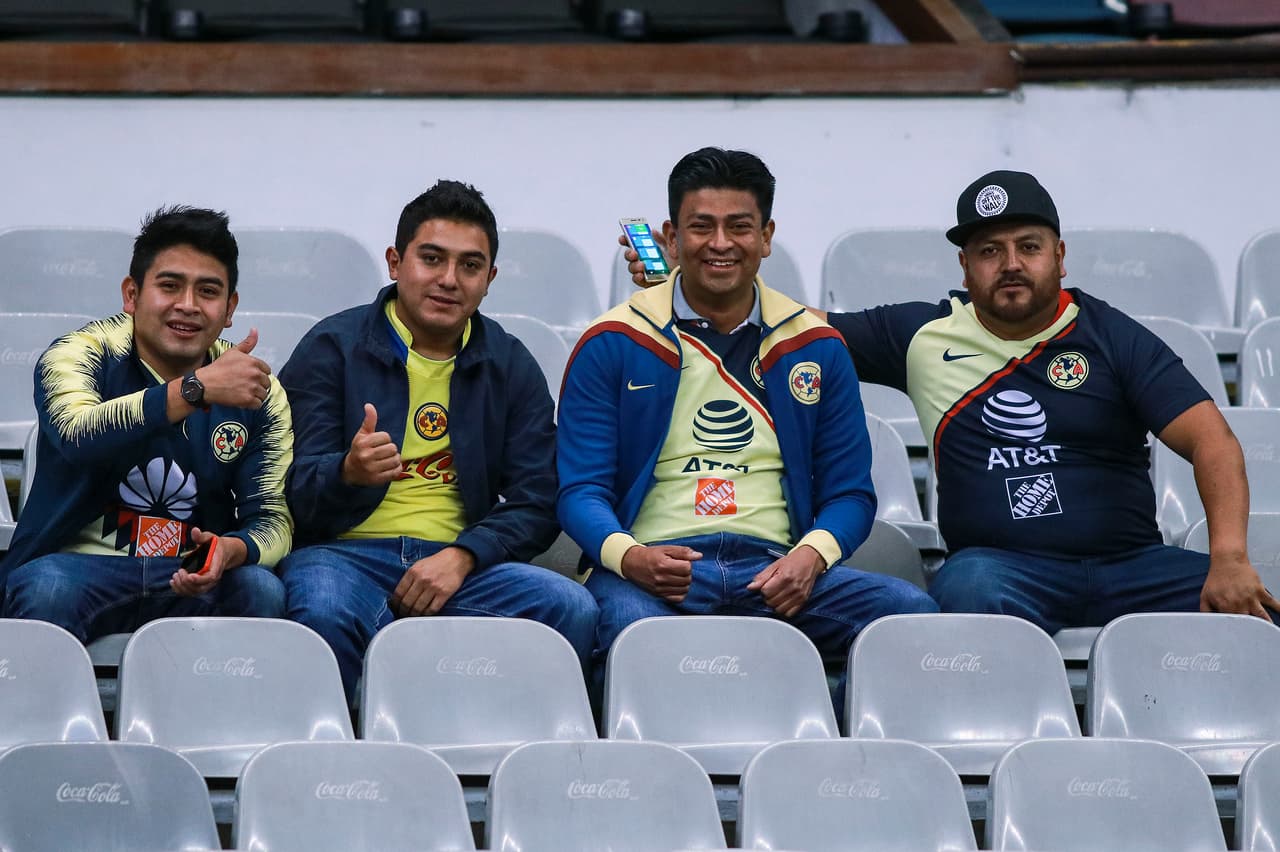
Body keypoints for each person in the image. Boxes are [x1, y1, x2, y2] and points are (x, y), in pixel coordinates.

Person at [624, 168, 1277, 633]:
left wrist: (1228, 557)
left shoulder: (1111, 334)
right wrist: (679, 281)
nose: (1011, 264)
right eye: (989, 251)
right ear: (965, 268)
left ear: (1060, 256)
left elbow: (1212, 442)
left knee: (1255, 606)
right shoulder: (922, 335)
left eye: (1029, 247)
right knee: (964, 589)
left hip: (1133, 565)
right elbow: (773, 326)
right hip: (1004, 571)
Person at [561, 147, 937, 687]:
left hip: (777, 570)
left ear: (765, 236)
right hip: (651, 574)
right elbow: (579, 491)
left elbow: (851, 494)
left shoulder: (815, 345)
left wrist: (811, 557)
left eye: (739, 227)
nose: (720, 244)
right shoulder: (612, 341)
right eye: (701, 227)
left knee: (911, 620)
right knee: (629, 640)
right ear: (671, 237)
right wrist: (631, 557)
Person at [278, 179, 597, 700]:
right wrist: (346, 474)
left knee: (570, 607)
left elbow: (538, 497)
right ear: (395, 262)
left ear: (490, 278)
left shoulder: (509, 363)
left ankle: (518, 753)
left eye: (469, 266)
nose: (449, 280)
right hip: (343, 556)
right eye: (431, 259)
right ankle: (337, 759)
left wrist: (465, 555)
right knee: (322, 608)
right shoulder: (331, 347)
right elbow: (287, 488)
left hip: (456, 562)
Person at [1, 206, 291, 640]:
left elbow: (273, 520)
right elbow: (79, 434)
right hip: (76, 565)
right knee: (45, 587)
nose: (187, 306)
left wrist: (231, 550)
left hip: (191, 567)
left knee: (260, 589)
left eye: (208, 291)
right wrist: (195, 390)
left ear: (230, 308)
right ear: (132, 295)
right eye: (170, 286)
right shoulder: (77, 354)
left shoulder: (257, 388)